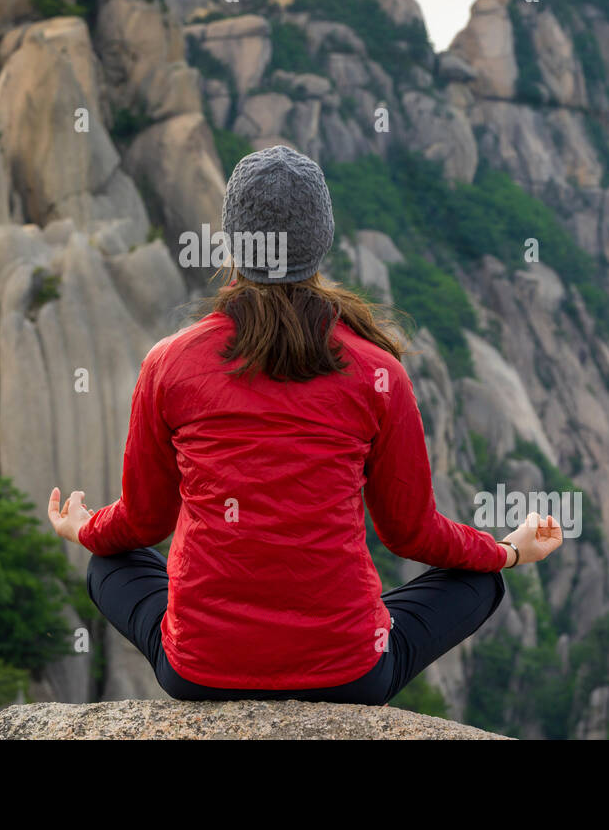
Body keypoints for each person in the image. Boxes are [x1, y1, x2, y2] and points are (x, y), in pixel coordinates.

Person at [47, 144, 563, 704]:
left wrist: (85, 528)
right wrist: (508, 551)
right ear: (321, 242)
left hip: (200, 670)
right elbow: (411, 534)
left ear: (232, 243)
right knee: (478, 579)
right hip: (348, 675)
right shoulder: (376, 372)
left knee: (110, 561)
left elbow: (143, 522)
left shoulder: (169, 363)